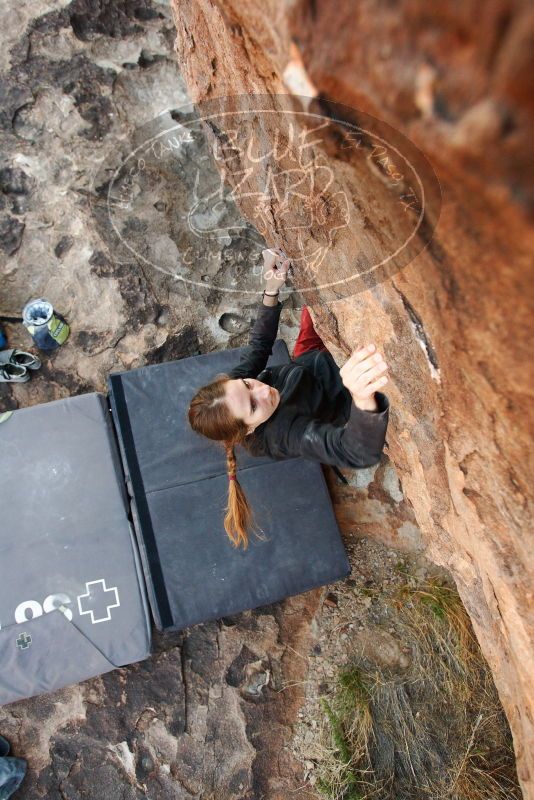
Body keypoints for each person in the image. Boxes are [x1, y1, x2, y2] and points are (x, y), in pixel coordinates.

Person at [187, 248, 390, 549]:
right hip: (340, 388)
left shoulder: (234, 391)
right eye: (253, 405)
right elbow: (356, 453)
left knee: (326, 279)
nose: (262, 391)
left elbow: (258, 348)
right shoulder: (284, 435)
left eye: (248, 384)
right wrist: (362, 399)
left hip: (308, 359)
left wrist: (271, 288)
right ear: (249, 429)